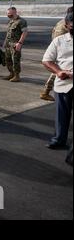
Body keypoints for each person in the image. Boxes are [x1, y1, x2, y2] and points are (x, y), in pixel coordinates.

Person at [42, 13, 73, 150]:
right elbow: (47, 60)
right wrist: (58, 71)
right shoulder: (59, 41)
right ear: (66, 25)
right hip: (64, 84)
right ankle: (59, 140)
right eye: (72, 26)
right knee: (61, 116)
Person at [40, 6, 73, 102]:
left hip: (57, 50)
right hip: (62, 51)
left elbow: (53, 32)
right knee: (58, 73)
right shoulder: (66, 24)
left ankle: (46, 91)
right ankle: (46, 92)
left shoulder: (60, 22)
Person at [3, 7, 28, 82]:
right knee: (8, 60)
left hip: (15, 44)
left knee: (15, 60)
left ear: (15, 12)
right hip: (8, 44)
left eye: (10, 13)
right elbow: (8, 33)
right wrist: (5, 42)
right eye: (7, 13)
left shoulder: (21, 21)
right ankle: (11, 73)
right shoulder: (11, 21)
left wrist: (20, 43)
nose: (8, 15)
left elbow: (25, 32)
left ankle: (17, 76)